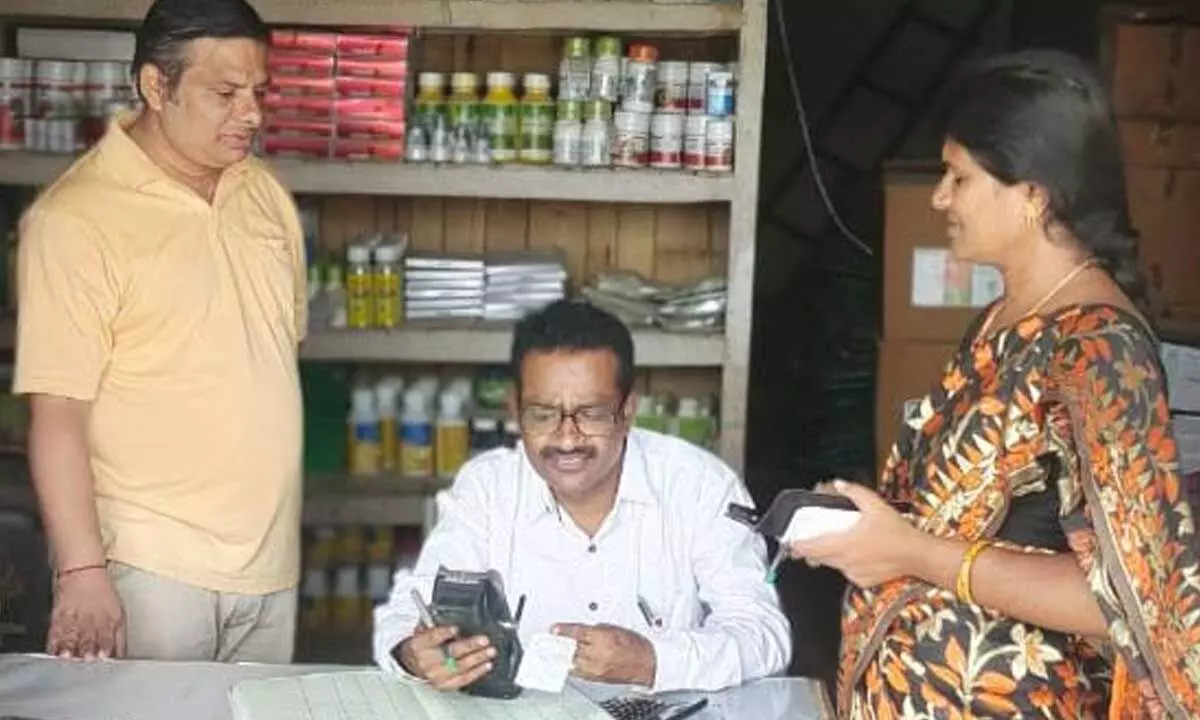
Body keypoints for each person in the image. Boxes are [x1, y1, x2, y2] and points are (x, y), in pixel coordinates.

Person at [787, 50, 1200, 718]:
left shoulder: (1099, 355)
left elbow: (1121, 597)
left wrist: (909, 549)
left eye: (960, 176)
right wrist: (867, 528)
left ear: (1033, 195)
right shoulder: (1004, 320)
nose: (940, 197)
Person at [14, 0, 306, 663]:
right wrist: (83, 571)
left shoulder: (262, 195)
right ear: (156, 86)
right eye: (226, 93)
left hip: (271, 565)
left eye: (259, 92)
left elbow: (273, 359)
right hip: (150, 569)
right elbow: (57, 412)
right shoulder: (75, 220)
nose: (253, 113)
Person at [373, 300, 791, 692]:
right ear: (515, 411)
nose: (567, 438)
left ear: (627, 412)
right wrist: (415, 654)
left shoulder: (699, 486)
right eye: (542, 414)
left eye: (590, 413)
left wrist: (654, 661)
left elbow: (763, 635)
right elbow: (407, 615)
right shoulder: (488, 489)